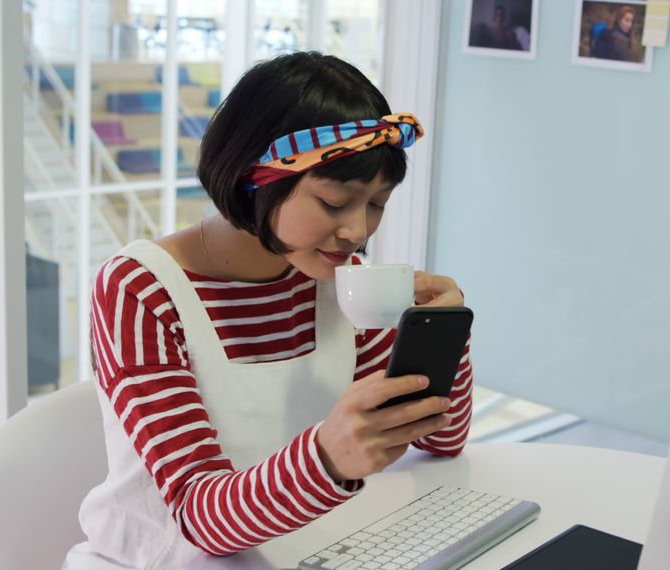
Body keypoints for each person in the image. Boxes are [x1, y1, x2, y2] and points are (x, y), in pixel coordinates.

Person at [63, 52, 474, 569]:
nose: (357, 231)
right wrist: (326, 459)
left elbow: (442, 438)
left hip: (304, 551)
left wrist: (442, 338)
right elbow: (200, 517)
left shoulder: (339, 275)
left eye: (376, 204)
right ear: (254, 177)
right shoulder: (141, 290)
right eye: (333, 202)